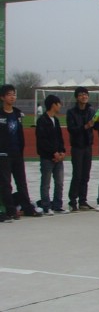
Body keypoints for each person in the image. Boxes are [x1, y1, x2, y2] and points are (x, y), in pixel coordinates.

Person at [0, 84, 42, 220]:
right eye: (9, 94)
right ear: (2, 97)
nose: (12, 97)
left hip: (17, 153)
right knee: (6, 184)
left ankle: (27, 208)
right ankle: (11, 210)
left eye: (14, 94)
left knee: (22, 182)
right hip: (3, 155)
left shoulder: (17, 113)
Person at [35, 95, 67, 215]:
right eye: (59, 103)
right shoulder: (42, 120)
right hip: (47, 157)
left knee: (59, 183)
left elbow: (60, 138)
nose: (60, 106)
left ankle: (57, 205)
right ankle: (46, 206)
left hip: (58, 157)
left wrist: (62, 151)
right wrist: (53, 152)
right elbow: (42, 140)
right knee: (46, 183)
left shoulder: (56, 120)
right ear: (53, 104)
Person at [66, 86, 96, 211]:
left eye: (86, 94)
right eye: (81, 94)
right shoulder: (71, 112)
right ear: (77, 97)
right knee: (77, 175)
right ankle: (72, 201)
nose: (84, 97)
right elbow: (71, 129)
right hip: (77, 147)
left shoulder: (91, 111)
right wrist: (85, 127)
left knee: (85, 175)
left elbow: (95, 126)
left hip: (88, 146)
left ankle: (83, 200)